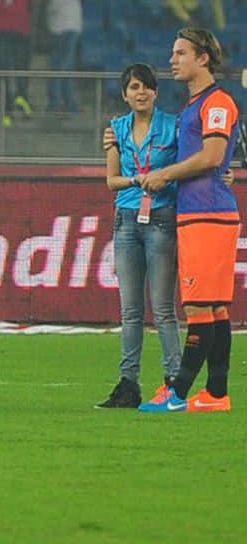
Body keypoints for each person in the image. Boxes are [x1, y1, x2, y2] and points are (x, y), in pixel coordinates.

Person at [137, 28, 239, 413]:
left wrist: (166, 175)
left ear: (203, 58)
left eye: (180, 53)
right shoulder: (194, 106)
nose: (172, 60)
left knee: (198, 307)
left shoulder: (217, 102)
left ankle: (177, 392)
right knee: (214, 308)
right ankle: (215, 393)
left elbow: (213, 155)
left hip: (208, 214)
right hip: (201, 212)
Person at [98, 64, 181, 408]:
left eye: (146, 86)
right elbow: (111, 180)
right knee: (130, 311)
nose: (140, 92)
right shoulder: (116, 129)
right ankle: (128, 385)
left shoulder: (173, 126)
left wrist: (222, 177)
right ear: (125, 94)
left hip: (161, 217)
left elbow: (190, 167)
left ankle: (175, 381)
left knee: (163, 308)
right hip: (127, 219)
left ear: (156, 92)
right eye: (134, 87)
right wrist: (138, 180)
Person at [40, 0, 89, 114]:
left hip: (54, 20)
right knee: (62, 65)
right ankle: (56, 101)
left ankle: (69, 103)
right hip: (68, 22)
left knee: (64, 65)